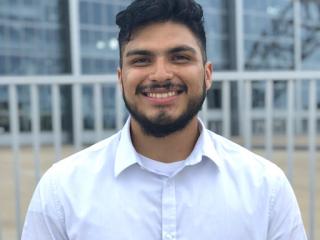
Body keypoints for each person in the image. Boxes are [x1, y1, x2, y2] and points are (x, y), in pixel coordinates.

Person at [22, 0, 307, 239]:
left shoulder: (265, 188)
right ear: (121, 78)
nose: (160, 75)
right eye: (141, 60)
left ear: (207, 74)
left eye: (180, 57)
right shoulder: (62, 191)